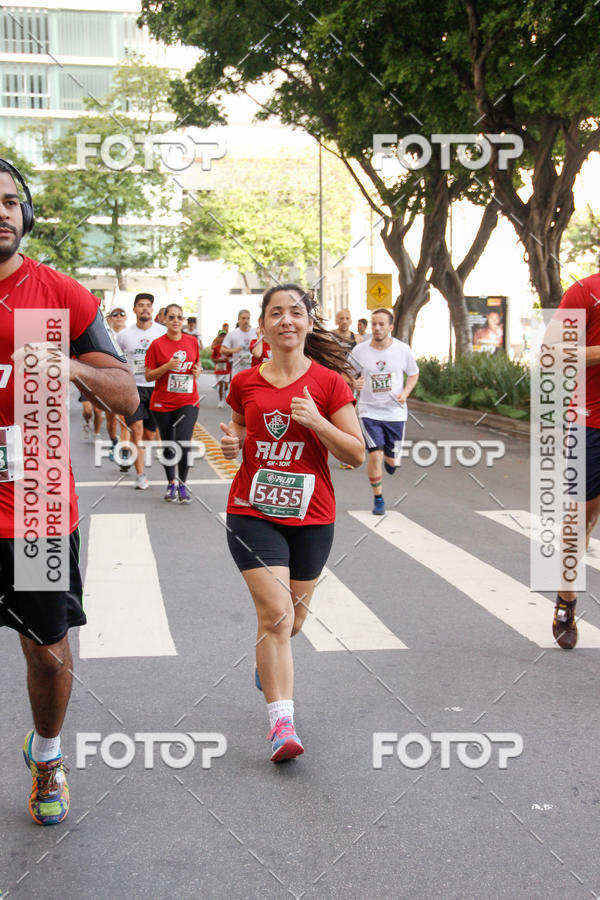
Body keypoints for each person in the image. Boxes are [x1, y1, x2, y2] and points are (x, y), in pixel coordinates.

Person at [0, 157, 137, 825]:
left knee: (48, 654)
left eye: (8, 200)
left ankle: (47, 755)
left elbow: (127, 395)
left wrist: (65, 363)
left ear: (24, 215)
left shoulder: (59, 295)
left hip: (37, 506)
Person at [220, 284, 364, 763]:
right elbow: (242, 430)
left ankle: (270, 661)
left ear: (307, 322)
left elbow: (356, 453)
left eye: (295, 313)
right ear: (262, 324)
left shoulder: (328, 384)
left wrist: (318, 422)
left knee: (294, 620)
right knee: (276, 614)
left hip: (312, 514)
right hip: (251, 510)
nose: (286, 320)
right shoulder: (245, 383)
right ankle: (282, 723)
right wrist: (232, 446)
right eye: (276, 313)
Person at [548, 274, 600, 649]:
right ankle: (566, 599)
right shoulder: (586, 291)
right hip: (589, 424)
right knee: (581, 519)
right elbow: (551, 353)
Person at [351, 308, 419, 515]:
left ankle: (392, 461)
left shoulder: (402, 349)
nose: (377, 328)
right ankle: (378, 498)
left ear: (390, 327)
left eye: (382, 324)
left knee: (391, 459)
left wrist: (405, 393)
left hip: (395, 412)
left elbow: (414, 374)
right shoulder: (360, 351)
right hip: (369, 411)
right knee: (375, 455)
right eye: (374, 324)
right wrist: (354, 381)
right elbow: (347, 373)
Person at [144, 303, 201, 503]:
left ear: (183, 320)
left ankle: (183, 485)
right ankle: (171, 483)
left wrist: (197, 371)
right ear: (164, 320)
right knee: (168, 443)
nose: (176, 321)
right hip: (162, 403)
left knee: (183, 442)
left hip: (188, 400)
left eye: (179, 317)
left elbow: (197, 364)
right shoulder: (157, 345)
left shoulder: (192, 341)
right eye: (172, 317)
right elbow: (149, 375)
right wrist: (167, 366)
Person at [116, 293, 166, 488]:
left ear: (152, 310)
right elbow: (116, 360)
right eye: (141, 305)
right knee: (136, 431)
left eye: (148, 305)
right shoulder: (124, 335)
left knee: (149, 435)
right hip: (133, 388)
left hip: (156, 388)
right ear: (134, 309)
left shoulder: (161, 332)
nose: (145, 308)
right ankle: (140, 475)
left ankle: (141, 455)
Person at [105, 308, 128, 458]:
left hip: (126, 381)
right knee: (111, 419)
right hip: (107, 380)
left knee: (124, 419)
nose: (119, 317)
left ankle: (125, 452)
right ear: (110, 318)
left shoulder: (131, 334)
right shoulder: (105, 334)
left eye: (122, 314)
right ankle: (114, 441)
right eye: (115, 314)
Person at [221, 309, 257, 377]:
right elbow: (222, 350)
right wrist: (233, 350)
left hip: (252, 371)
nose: (246, 321)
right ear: (239, 319)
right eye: (243, 318)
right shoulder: (232, 334)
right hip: (237, 371)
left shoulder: (255, 332)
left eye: (248, 318)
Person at [211, 329, 231, 408]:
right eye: (221, 336)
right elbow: (212, 358)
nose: (222, 338)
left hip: (226, 370)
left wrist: (228, 359)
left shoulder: (228, 348)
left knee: (226, 385)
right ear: (218, 338)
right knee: (220, 385)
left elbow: (232, 357)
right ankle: (220, 401)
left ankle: (226, 392)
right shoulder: (216, 348)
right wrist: (218, 360)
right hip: (219, 370)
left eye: (224, 336)